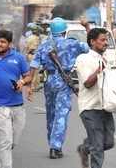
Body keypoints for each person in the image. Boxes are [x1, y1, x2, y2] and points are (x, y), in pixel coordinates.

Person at [29, 18, 89, 159]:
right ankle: (55, 147)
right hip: (63, 81)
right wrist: (87, 27)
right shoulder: (72, 43)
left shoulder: (43, 45)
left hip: (49, 81)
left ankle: (52, 142)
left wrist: (29, 84)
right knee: (61, 115)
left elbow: (34, 65)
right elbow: (89, 47)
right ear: (64, 31)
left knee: (50, 114)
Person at [0, 30, 33, 168]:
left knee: (13, 140)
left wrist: (22, 83)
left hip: (17, 105)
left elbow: (28, 76)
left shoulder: (18, 58)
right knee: (6, 139)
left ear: (10, 44)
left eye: (3, 42)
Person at [75, 28, 115, 168]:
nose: (106, 43)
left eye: (106, 40)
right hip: (90, 108)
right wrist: (100, 70)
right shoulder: (83, 59)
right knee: (98, 147)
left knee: (109, 142)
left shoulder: (105, 59)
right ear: (92, 42)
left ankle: (85, 148)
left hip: (105, 107)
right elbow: (87, 83)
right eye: (102, 40)